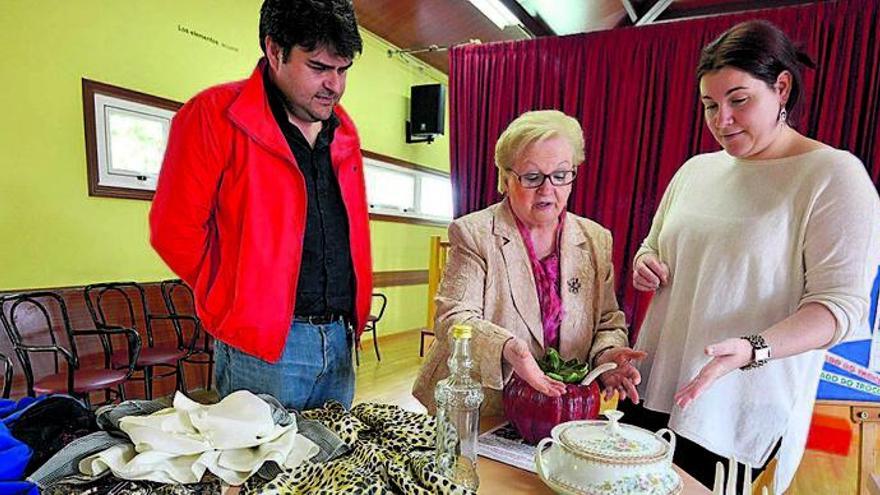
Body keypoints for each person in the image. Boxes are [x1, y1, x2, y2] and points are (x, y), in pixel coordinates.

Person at [626, 20, 880, 492]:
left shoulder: (832, 176)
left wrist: (751, 349)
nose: (722, 120)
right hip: (655, 383)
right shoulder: (695, 170)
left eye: (739, 101)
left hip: (736, 409)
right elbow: (653, 246)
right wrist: (646, 262)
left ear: (781, 87)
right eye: (709, 106)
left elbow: (839, 309)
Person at [149, 0, 372, 411]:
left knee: (330, 467)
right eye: (319, 68)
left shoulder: (345, 129)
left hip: (341, 338)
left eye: (343, 70)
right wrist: (237, 299)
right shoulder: (212, 115)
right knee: (258, 472)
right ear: (274, 51)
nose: (334, 86)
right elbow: (173, 232)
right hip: (264, 344)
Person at [413, 110, 645, 415]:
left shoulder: (595, 239)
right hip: (482, 404)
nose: (548, 189)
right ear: (506, 178)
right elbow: (454, 318)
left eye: (561, 175)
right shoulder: (474, 233)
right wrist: (508, 348)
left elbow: (607, 319)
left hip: (562, 407)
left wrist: (607, 356)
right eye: (532, 177)